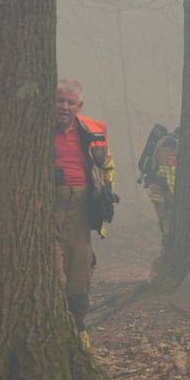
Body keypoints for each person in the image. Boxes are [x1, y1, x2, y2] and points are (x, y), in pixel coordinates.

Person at [53, 79, 116, 331]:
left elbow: (106, 167)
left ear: (80, 106)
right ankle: (53, 316)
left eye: (70, 102)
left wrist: (107, 193)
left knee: (80, 261)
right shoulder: (35, 129)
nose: (64, 107)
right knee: (53, 262)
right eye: (60, 101)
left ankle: (77, 322)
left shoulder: (91, 131)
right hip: (47, 203)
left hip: (82, 205)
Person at [137, 124, 178, 237]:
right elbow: (169, 173)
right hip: (162, 190)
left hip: (156, 187)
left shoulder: (168, 143)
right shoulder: (169, 145)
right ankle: (168, 249)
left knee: (166, 222)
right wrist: (174, 196)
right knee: (168, 223)